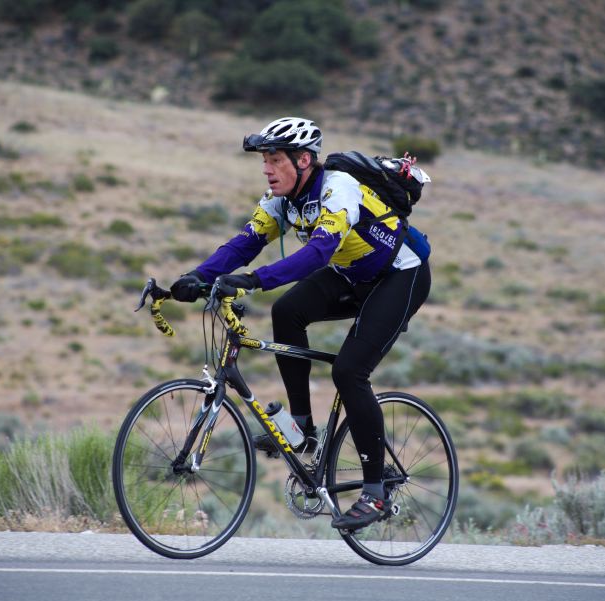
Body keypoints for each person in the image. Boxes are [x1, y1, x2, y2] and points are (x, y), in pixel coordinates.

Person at [169, 116, 431, 531]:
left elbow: (318, 254)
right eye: (264, 161)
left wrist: (254, 280)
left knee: (350, 372)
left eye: (275, 159)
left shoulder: (338, 187)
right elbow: (244, 243)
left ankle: (375, 491)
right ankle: (303, 429)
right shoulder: (281, 201)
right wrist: (196, 278)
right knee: (285, 311)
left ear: (304, 159)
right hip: (354, 274)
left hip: (401, 276)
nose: (267, 169)